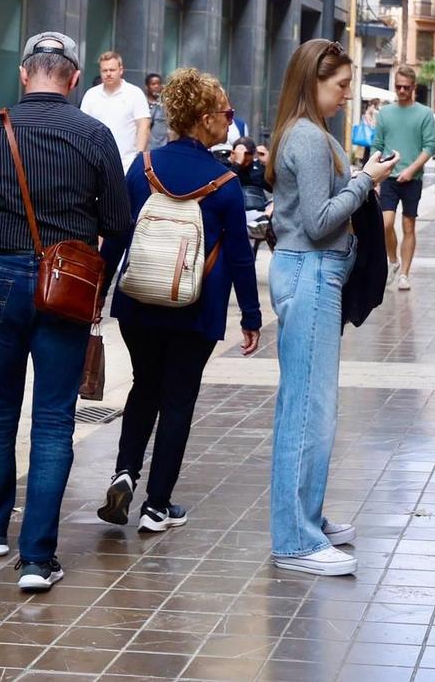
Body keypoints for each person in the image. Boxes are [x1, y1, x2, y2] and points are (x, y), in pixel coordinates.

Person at [0, 32, 133, 592]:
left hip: (1, 280)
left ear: (25, 73)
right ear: (75, 78)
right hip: (69, 284)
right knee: (54, 420)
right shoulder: (95, 134)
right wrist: (93, 275)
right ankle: (37, 558)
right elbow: (121, 222)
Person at [96, 70, 263, 533]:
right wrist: (250, 315)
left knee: (144, 385)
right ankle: (156, 505)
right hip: (196, 307)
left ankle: (125, 471)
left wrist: (99, 290)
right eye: (226, 114)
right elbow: (239, 258)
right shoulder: (225, 183)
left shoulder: (142, 166)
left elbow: (116, 235)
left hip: (138, 303)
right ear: (205, 120)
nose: (231, 122)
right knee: (179, 398)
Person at [267, 40, 395, 576]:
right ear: (312, 82)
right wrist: (367, 181)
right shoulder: (309, 138)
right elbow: (320, 221)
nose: (347, 95)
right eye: (341, 85)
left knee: (304, 405)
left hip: (311, 273)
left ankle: (305, 520)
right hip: (312, 271)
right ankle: (296, 538)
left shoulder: (304, 133)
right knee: (308, 410)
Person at [369, 64, 435, 290]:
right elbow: (377, 145)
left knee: (409, 225)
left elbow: (430, 146)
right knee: (385, 223)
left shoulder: (425, 114)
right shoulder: (385, 113)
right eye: (398, 86)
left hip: (412, 178)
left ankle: (405, 273)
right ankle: (393, 260)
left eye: (406, 87)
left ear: (413, 87)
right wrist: (373, 174)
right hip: (388, 176)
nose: (401, 91)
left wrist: (411, 170)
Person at [82, 50, 152, 173]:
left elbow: (144, 126)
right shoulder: (91, 95)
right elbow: (83, 127)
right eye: (104, 70)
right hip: (95, 164)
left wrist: (138, 159)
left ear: (121, 70)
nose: (108, 74)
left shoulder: (135, 93)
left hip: (127, 164)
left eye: (112, 70)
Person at [143, 72, 171, 149]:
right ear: (147, 87)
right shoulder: (141, 103)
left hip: (161, 147)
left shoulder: (165, 104)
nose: (156, 86)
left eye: (159, 84)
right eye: (153, 84)